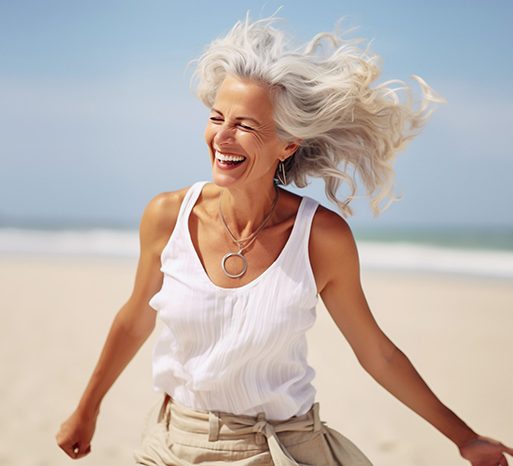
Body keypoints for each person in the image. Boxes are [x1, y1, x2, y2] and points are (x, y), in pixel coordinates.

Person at [56, 15, 513, 466]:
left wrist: (465, 438)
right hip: (175, 444)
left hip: (280, 447)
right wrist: (87, 408)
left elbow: (377, 353)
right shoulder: (167, 216)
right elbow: (135, 318)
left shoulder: (321, 237)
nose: (223, 136)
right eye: (217, 117)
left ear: (288, 144)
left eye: (246, 125)